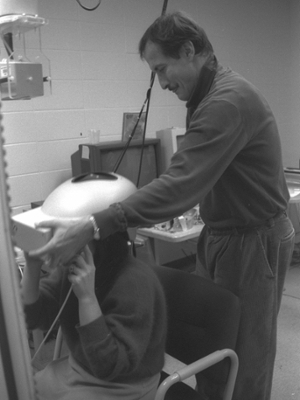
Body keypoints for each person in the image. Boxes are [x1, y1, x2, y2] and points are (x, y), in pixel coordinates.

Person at [29, 11, 295, 400]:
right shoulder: (206, 96)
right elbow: (188, 176)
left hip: (252, 239)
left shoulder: (228, 101)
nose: (162, 81)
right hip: (223, 233)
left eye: (162, 68)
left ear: (189, 50)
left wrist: (97, 223)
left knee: (247, 355)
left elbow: (182, 184)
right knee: (218, 348)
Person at [22, 229, 167, 400]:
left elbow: (109, 365)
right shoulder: (72, 267)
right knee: (21, 389)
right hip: (81, 366)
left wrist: (87, 298)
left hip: (125, 382)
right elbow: (31, 316)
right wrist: (32, 266)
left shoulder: (135, 282)